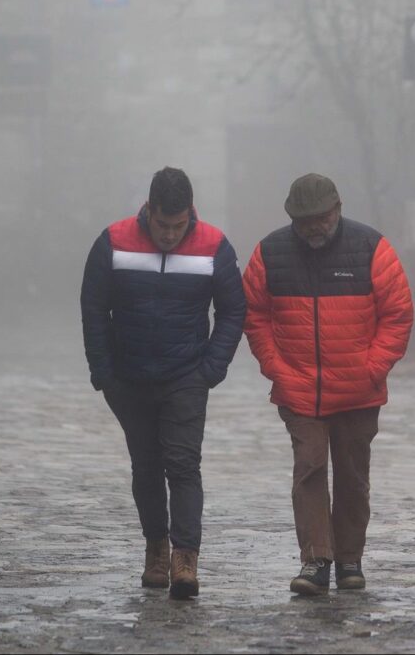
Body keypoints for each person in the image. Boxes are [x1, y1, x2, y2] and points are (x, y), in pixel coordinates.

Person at [241, 173, 414, 595]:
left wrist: (372, 367)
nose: (314, 227)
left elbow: (398, 314)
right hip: (299, 390)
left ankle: (350, 559)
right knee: (310, 468)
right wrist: (276, 367)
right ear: (292, 219)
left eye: (321, 217)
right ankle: (317, 561)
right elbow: (254, 315)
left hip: (359, 391)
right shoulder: (269, 254)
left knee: (353, 477)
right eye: (305, 220)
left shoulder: (373, 249)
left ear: (337, 209)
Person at [80, 166, 245, 598]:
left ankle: (185, 557)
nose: (170, 234)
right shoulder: (112, 242)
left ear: (190, 213)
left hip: (187, 375)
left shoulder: (213, 246)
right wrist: (104, 372)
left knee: (184, 464)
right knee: (146, 466)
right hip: (128, 378)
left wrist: (212, 368)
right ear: (148, 210)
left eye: (178, 225)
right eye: (162, 224)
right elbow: (93, 308)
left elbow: (232, 311)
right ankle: (156, 546)